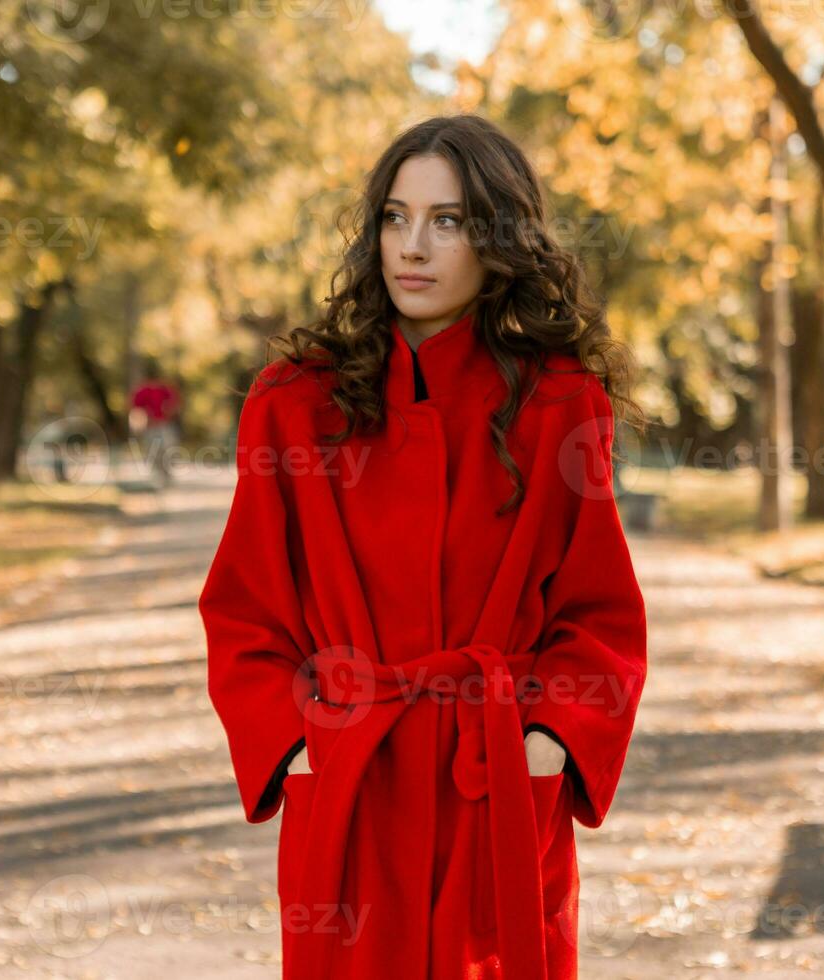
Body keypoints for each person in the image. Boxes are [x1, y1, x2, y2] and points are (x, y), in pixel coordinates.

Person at [199, 113, 649, 979]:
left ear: (497, 240)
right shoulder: (293, 403)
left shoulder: (561, 404)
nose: (413, 246)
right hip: (352, 784)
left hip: (497, 789)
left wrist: (549, 740)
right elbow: (244, 608)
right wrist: (299, 749)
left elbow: (600, 613)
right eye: (395, 218)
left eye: (447, 222)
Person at [129, 360, 181, 487]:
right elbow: (135, 408)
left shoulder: (164, 388)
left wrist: (168, 410)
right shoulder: (142, 390)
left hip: (164, 424)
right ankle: (159, 477)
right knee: (154, 452)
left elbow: (175, 403)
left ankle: (167, 474)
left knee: (167, 450)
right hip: (150, 426)